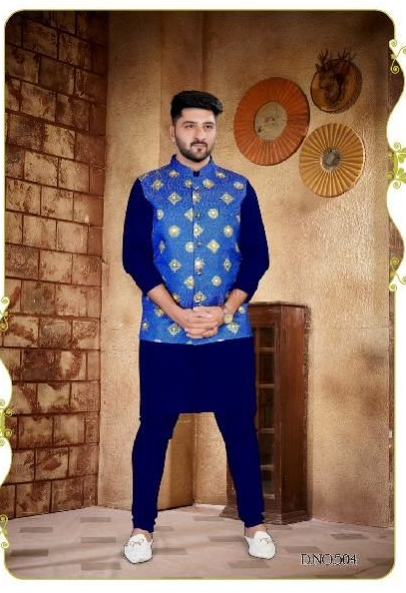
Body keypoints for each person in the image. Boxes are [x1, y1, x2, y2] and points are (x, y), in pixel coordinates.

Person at [122, 90, 275, 564]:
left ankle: (256, 525)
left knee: (240, 428)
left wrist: (224, 311)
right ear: (173, 130)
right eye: (190, 125)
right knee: (154, 429)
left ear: (214, 131)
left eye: (207, 126)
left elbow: (257, 258)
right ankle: (141, 529)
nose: (199, 135)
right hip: (163, 335)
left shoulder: (239, 189)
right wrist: (177, 313)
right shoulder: (147, 188)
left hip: (227, 334)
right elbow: (135, 258)